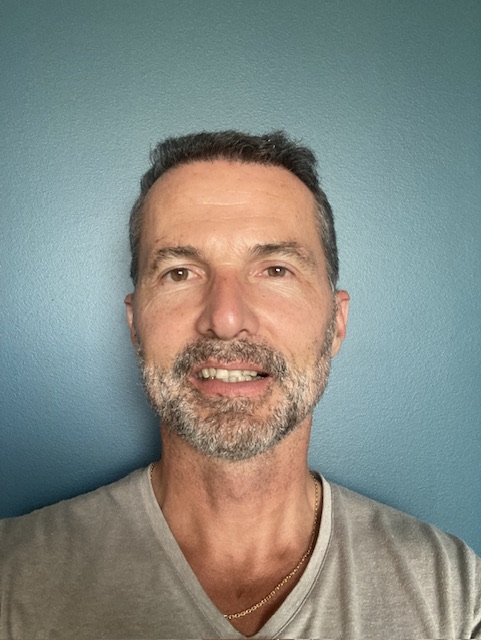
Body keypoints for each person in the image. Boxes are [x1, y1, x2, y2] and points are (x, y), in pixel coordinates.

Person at [0, 131, 479, 639]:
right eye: (180, 273)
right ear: (135, 325)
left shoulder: (451, 594)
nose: (226, 319)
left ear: (336, 324)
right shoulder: (13, 578)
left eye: (275, 270)